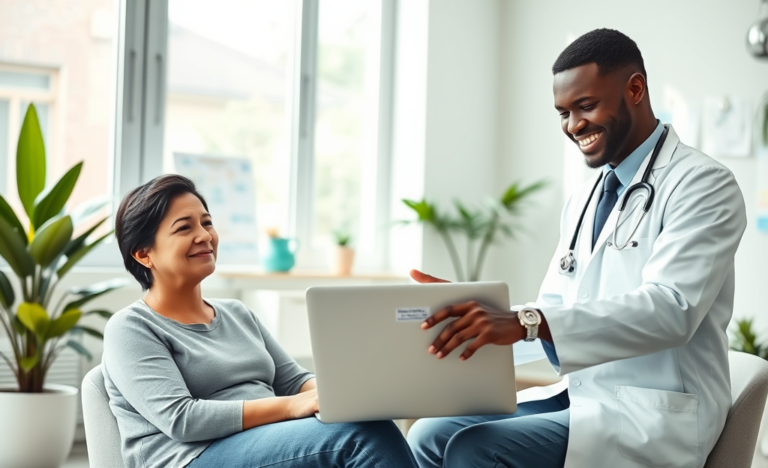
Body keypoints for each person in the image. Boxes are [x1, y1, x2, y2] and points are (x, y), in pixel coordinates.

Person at [406, 28, 747, 468]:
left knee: (476, 448)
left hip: (651, 414)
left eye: (586, 106)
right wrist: (478, 320)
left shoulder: (702, 184)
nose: (573, 126)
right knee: (429, 433)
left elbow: (671, 309)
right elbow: (554, 309)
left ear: (635, 89)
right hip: (584, 396)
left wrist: (527, 321)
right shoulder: (586, 197)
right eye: (563, 113)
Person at [103, 174, 419, 468]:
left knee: (369, 423)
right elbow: (182, 419)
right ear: (144, 254)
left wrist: (350, 397)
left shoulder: (237, 314)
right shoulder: (130, 328)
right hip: (192, 456)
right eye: (184, 228)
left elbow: (295, 382)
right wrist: (294, 407)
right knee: (360, 438)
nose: (204, 235)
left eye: (207, 222)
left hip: (263, 440)